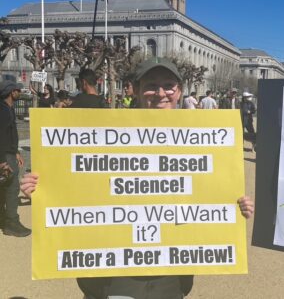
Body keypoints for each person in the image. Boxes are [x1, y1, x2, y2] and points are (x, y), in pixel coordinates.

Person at [20, 58, 254, 298]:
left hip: (170, 270)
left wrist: (236, 205)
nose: (161, 93)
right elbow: (79, 179)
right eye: (151, 85)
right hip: (115, 272)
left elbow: (212, 191)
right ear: (138, 89)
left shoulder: (205, 139)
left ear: (180, 91)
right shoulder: (105, 132)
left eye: (169, 85)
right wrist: (42, 189)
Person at [0, 80, 31, 237]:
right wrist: (2, 161)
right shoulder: (4, 111)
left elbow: (10, 135)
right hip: (4, 155)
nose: (20, 92)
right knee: (12, 188)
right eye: (18, 89)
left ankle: (3, 219)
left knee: (3, 187)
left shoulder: (7, 109)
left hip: (9, 153)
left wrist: (16, 152)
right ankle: (11, 222)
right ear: (12, 92)